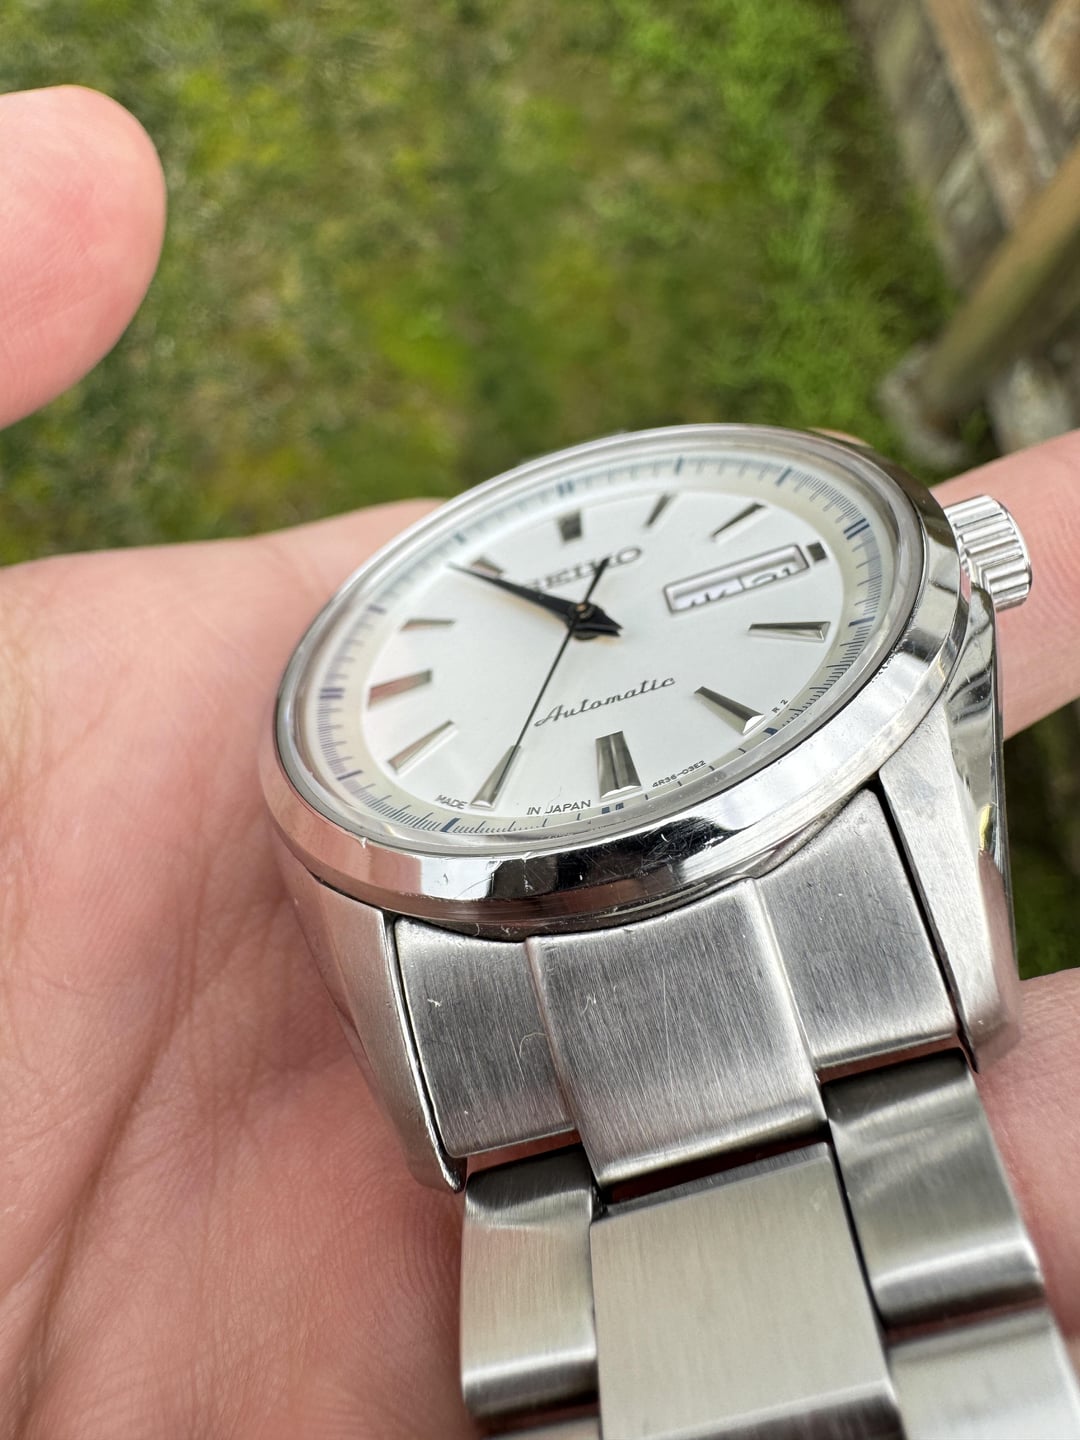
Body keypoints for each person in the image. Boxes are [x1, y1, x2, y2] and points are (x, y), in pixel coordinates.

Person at [0, 84, 1076, 1439]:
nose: (585, 619)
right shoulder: (363, 830)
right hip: (508, 976)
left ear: (963, 580)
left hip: (774, 896)